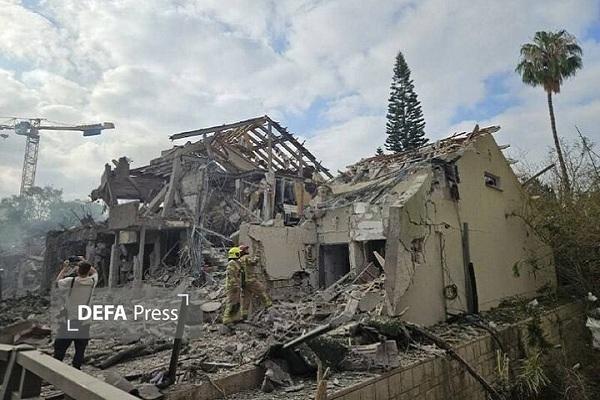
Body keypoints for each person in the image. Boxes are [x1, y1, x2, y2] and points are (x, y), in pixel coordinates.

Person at [53, 258, 98, 369]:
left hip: (70, 321)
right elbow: (95, 272)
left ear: (77, 271)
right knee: (80, 350)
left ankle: (56, 370)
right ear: (88, 271)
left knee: (60, 348)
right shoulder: (92, 281)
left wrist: (64, 269)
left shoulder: (70, 281)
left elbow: (57, 282)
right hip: (84, 322)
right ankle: (76, 370)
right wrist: (84, 260)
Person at [239, 244, 272, 319]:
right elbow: (253, 262)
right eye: (246, 249)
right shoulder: (246, 257)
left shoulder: (239, 260)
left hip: (244, 283)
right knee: (262, 290)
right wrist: (257, 256)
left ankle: (244, 315)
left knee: (246, 299)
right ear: (243, 251)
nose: (247, 250)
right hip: (251, 280)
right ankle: (269, 306)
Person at [222, 247, 243, 325]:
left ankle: (234, 317)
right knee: (231, 302)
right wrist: (235, 284)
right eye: (238, 253)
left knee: (236, 302)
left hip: (236, 285)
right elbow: (231, 275)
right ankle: (226, 318)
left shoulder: (235, 263)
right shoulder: (231, 263)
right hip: (232, 286)